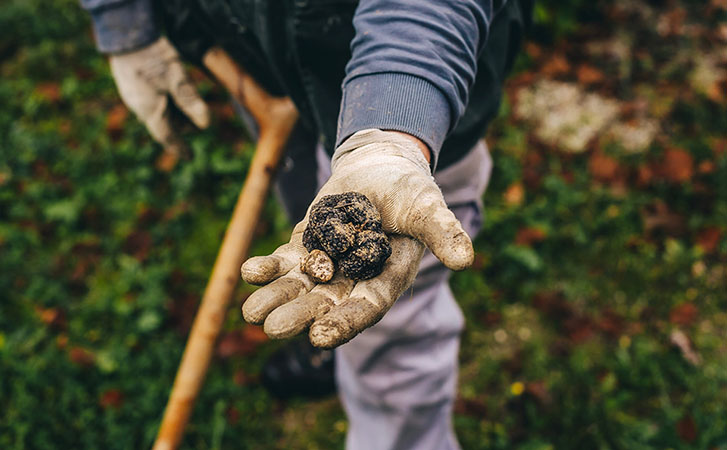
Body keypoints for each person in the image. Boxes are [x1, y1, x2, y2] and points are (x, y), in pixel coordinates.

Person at [80, 0, 532, 448]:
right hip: (255, 44)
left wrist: (392, 135)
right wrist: (122, 18)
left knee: (396, 318)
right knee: (299, 198)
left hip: (416, 90)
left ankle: (399, 423)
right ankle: (335, 354)